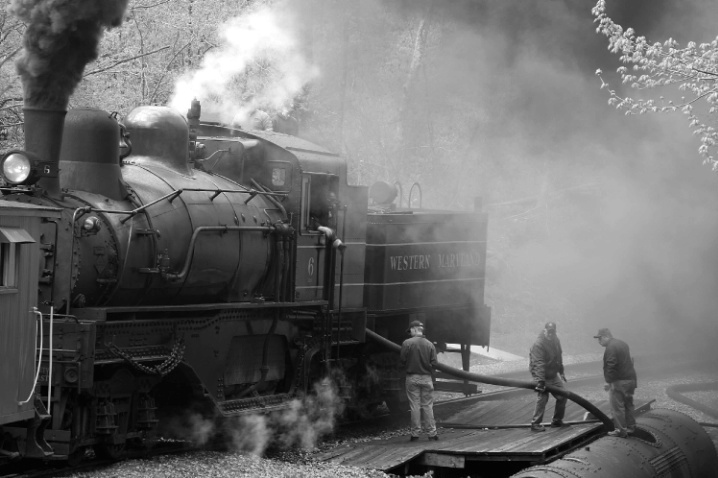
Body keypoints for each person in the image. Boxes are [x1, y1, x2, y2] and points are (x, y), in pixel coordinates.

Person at [594, 328, 637, 437]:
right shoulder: (623, 344)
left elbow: (611, 365)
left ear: (605, 337)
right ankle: (631, 427)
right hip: (630, 380)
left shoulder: (611, 348)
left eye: (599, 339)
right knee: (629, 405)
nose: (599, 342)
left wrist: (608, 381)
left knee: (617, 407)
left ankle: (621, 431)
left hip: (619, 382)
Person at [399, 320, 438, 441]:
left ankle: (415, 434)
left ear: (415, 329)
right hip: (426, 378)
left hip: (412, 378)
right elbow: (434, 363)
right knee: (427, 406)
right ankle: (432, 434)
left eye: (410, 330)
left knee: (415, 406)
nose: (410, 332)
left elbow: (402, 360)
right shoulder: (430, 344)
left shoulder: (407, 343)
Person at [529, 322, 568, 431]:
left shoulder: (556, 340)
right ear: (544, 330)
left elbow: (558, 356)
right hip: (541, 375)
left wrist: (561, 371)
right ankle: (535, 424)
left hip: (553, 374)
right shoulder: (538, 344)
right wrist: (540, 381)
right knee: (543, 398)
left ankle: (556, 421)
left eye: (553, 332)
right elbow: (538, 363)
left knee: (563, 395)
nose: (550, 335)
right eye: (549, 332)